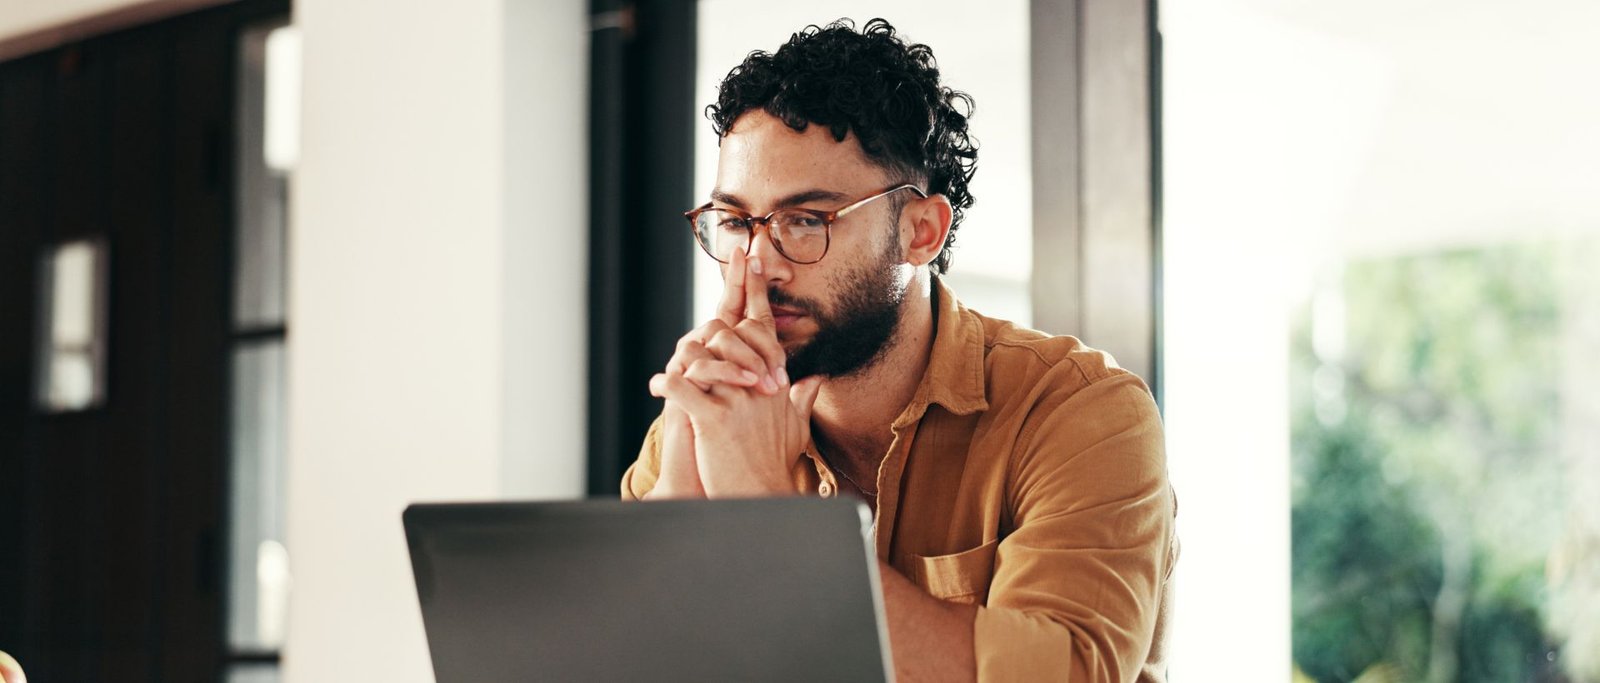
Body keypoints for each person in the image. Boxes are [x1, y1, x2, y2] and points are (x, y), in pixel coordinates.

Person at [620, 18, 1177, 683]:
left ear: (921, 232)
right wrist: (678, 502)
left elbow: (1065, 674)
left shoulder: (1079, 411)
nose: (758, 262)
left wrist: (775, 521)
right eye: (738, 222)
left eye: (806, 221)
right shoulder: (707, 423)